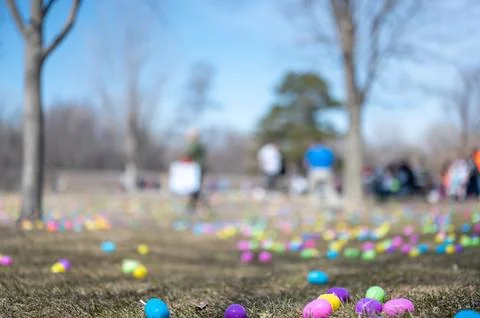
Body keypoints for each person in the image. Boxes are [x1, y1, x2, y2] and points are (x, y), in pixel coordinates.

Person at [304, 143, 340, 207]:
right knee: (329, 189)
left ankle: (315, 205)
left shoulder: (311, 151)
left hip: (314, 171)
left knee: (313, 190)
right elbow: (333, 162)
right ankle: (335, 205)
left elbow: (306, 163)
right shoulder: (328, 151)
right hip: (327, 170)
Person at [183, 128, 207, 213]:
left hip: (196, 169)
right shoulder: (198, 144)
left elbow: (188, 154)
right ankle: (195, 206)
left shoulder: (195, 145)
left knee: (195, 188)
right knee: (195, 188)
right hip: (196, 169)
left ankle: (196, 206)